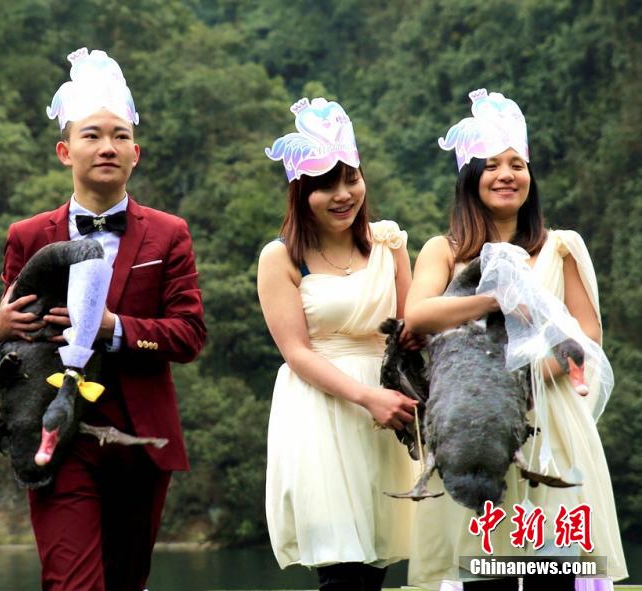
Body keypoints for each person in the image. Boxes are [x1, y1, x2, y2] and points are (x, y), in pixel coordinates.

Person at [0, 47, 206, 591]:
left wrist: (117, 328)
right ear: (65, 150)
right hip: (56, 435)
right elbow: (12, 350)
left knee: (127, 581)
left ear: (137, 152)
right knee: (72, 582)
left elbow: (189, 334)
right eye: (91, 135)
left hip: (141, 438)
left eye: (119, 136)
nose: (107, 147)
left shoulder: (168, 233)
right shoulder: (28, 236)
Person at [404, 88, 627, 590]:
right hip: (474, 424)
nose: (506, 175)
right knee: (488, 564)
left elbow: (586, 333)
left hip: (550, 419)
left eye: (517, 164)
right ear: (469, 180)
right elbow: (417, 315)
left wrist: (527, 373)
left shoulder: (561, 248)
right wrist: (492, 301)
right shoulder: (446, 251)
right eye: (491, 165)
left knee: (556, 565)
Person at [258, 97, 420, 591]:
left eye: (351, 178)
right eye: (326, 185)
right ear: (301, 192)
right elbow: (297, 352)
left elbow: (412, 333)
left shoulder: (389, 244)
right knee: (341, 568)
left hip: (388, 408)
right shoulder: (281, 258)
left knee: (376, 565)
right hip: (321, 412)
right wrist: (367, 397)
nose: (343, 194)